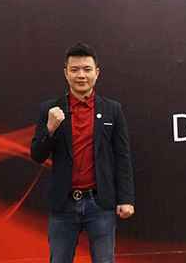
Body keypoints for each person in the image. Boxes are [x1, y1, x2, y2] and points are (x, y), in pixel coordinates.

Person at [31, 42, 135, 263]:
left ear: (97, 72)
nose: (81, 75)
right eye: (75, 69)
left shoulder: (112, 110)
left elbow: (122, 157)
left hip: (100, 204)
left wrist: (126, 199)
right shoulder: (50, 110)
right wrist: (50, 129)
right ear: (66, 73)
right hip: (63, 205)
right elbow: (37, 155)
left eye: (87, 69)